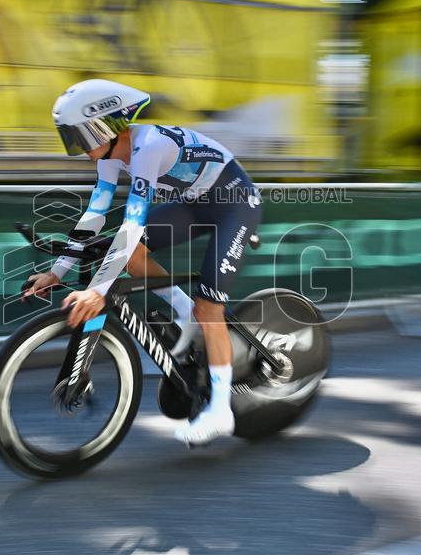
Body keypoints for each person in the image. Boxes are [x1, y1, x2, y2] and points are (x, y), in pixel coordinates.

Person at [22, 79, 262, 446]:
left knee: (209, 308)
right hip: (196, 203)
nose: (78, 148)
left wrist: (98, 291)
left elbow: (133, 223)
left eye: (78, 137)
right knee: (131, 255)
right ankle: (183, 312)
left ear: (104, 125)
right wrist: (58, 272)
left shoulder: (148, 146)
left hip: (235, 204)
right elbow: (95, 216)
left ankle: (220, 411)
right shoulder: (109, 154)